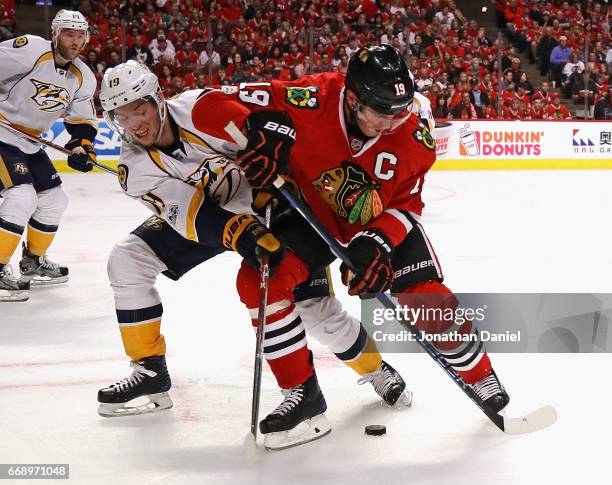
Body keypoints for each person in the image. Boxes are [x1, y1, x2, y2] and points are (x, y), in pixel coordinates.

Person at [205, 45, 510, 449]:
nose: (389, 123)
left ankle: (479, 373)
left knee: (426, 297)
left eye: (397, 112)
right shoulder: (311, 97)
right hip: (311, 215)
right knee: (262, 280)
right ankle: (303, 397)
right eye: (380, 113)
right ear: (352, 98)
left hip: (379, 220)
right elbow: (212, 101)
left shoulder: (414, 132)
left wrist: (376, 244)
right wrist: (259, 130)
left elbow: (408, 204)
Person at [96, 61, 412, 424]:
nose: (135, 123)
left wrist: (270, 141)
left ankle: (375, 369)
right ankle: (149, 369)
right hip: (215, 221)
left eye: (140, 108)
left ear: (158, 100)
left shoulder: (200, 108)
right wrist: (240, 233)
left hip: (280, 210)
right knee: (128, 258)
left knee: (317, 313)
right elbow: (190, 215)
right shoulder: (132, 167)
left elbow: (265, 121)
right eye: (122, 116)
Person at [0, 9, 97, 302]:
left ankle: (32, 261)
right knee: (21, 197)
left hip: (30, 141)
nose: (75, 40)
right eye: (69, 33)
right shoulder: (30, 50)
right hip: (1, 133)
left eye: (80, 35)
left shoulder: (83, 77)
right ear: (54, 34)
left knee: (55, 199)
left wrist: (81, 147)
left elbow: (82, 122)